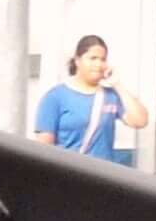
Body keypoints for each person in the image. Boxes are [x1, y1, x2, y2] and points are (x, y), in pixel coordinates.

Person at [31, 32, 148, 164]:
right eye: (93, 58)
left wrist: (117, 85)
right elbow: (44, 148)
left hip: (102, 172)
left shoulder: (111, 96)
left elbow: (140, 121)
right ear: (77, 61)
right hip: (68, 171)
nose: (98, 64)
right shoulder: (55, 97)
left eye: (103, 59)